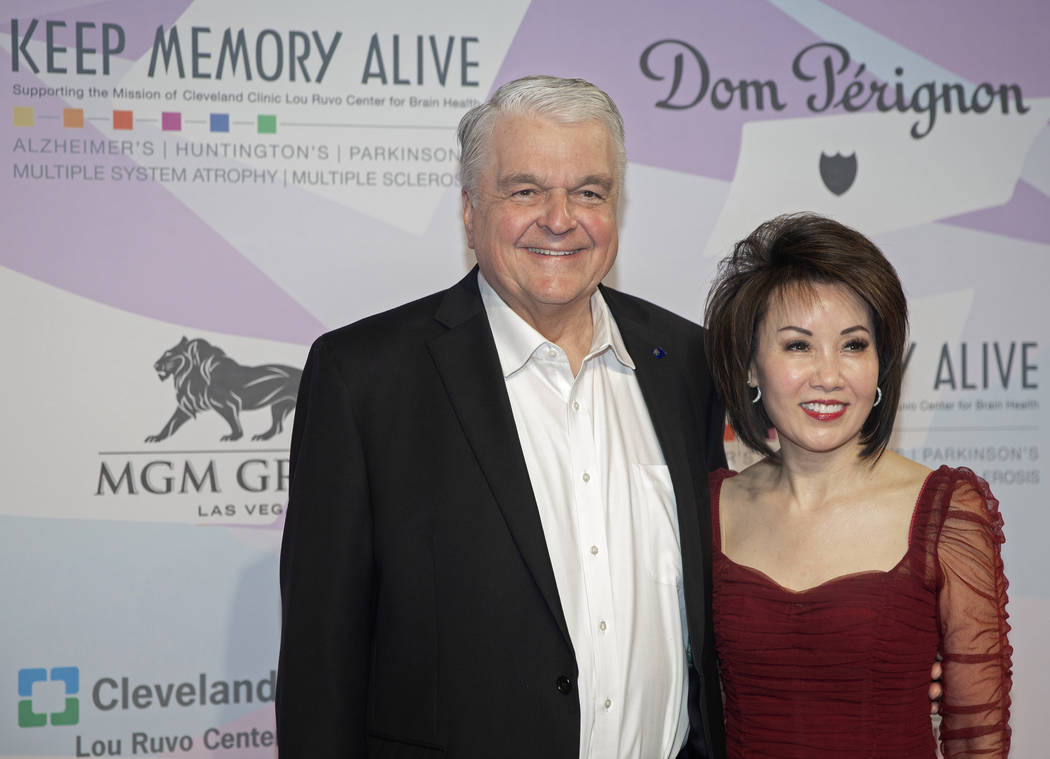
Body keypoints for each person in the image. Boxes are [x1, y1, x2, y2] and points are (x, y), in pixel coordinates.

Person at [276, 76, 727, 758]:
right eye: (525, 190)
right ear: (468, 208)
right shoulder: (363, 378)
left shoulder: (688, 360)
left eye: (589, 191)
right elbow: (321, 665)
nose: (559, 217)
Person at [703, 213, 1012, 758]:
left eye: (853, 345)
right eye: (798, 346)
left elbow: (976, 739)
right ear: (750, 367)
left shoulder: (945, 512)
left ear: (881, 366)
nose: (829, 375)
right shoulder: (708, 508)